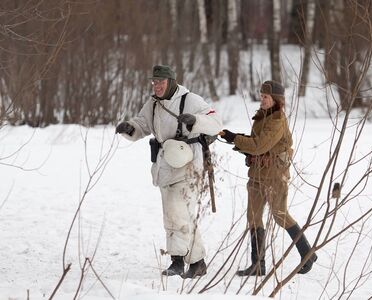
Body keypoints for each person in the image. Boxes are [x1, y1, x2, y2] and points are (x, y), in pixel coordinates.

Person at [116, 65, 222, 278]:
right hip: (165, 165)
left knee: (180, 213)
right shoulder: (153, 103)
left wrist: (195, 121)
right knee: (171, 215)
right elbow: (142, 124)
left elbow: (216, 122)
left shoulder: (190, 100)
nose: (156, 86)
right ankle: (177, 261)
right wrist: (130, 128)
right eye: (154, 82)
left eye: (160, 82)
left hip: (189, 164)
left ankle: (197, 261)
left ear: (171, 82)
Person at [221, 80, 317, 276]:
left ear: (276, 100)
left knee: (280, 215)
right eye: (261, 95)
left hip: (275, 176)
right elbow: (257, 147)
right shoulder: (263, 117)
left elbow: (259, 145)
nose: (262, 99)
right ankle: (258, 264)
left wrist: (235, 138)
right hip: (257, 174)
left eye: (266, 96)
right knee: (253, 217)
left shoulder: (277, 120)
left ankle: (307, 253)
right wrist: (234, 139)